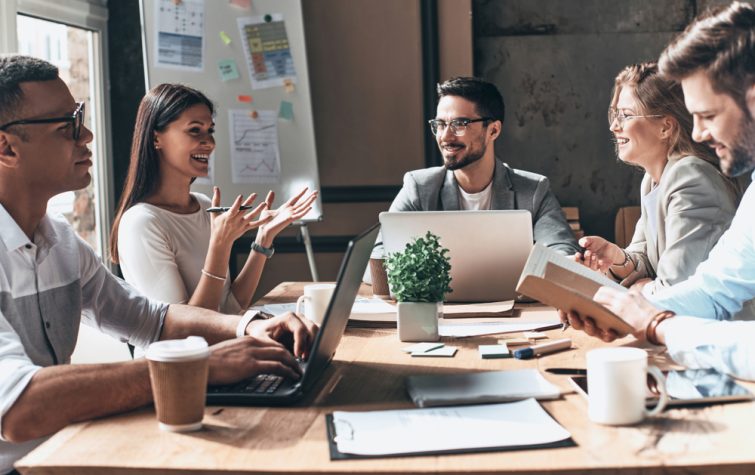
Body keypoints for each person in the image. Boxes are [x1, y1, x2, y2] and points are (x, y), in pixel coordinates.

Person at [0, 55, 316, 473]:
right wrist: (198, 368)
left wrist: (251, 324)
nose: (88, 135)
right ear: (6, 147)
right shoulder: (137, 221)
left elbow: (151, 319)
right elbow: (19, 407)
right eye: (68, 126)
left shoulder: (59, 239)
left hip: (68, 451)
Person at [560, 2, 755, 380]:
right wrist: (616, 310)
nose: (697, 133)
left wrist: (658, 322)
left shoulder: (691, 175)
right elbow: (714, 289)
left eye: (709, 115)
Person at [110, 83, 317, 313]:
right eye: (195, 130)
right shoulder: (141, 223)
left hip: (224, 347)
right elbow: (183, 330)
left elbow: (229, 307)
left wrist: (264, 239)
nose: (209, 142)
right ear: (156, 138)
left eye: (210, 131)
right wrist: (220, 246)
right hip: (190, 350)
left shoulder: (205, 206)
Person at [575, 62, 740, 295]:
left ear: (666, 127)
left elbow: (675, 289)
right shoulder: (654, 180)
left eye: (626, 116)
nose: (614, 126)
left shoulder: (691, 178)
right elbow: (645, 260)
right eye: (615, 115)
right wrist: (617, 258)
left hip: (713, 328)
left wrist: (640, 287)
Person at [387, 76, 579, 255]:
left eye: (459, 124)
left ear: (493, 130)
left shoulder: (533, 191)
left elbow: (561, 251)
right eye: (440, 124)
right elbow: (379, 256)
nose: (445, 136)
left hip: (510, 292)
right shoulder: (419, 188)